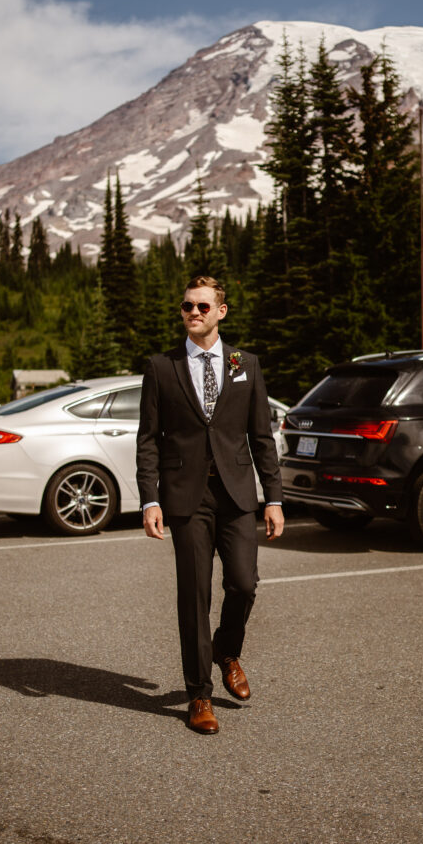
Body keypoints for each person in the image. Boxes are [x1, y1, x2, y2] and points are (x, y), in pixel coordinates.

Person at [136, 275, 284, 734]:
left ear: (222, 311)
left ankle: (226, 649)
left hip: (237, 493)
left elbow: (261, 437)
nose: (193, 313)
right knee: (193, 597)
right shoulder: (162, 367)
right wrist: (149, 498)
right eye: (186, 307)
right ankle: (199, 695)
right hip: (186, 498)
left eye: (202, 306)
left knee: (243, 583)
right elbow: (148, 440)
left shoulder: (246, 364)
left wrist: (273, 498)